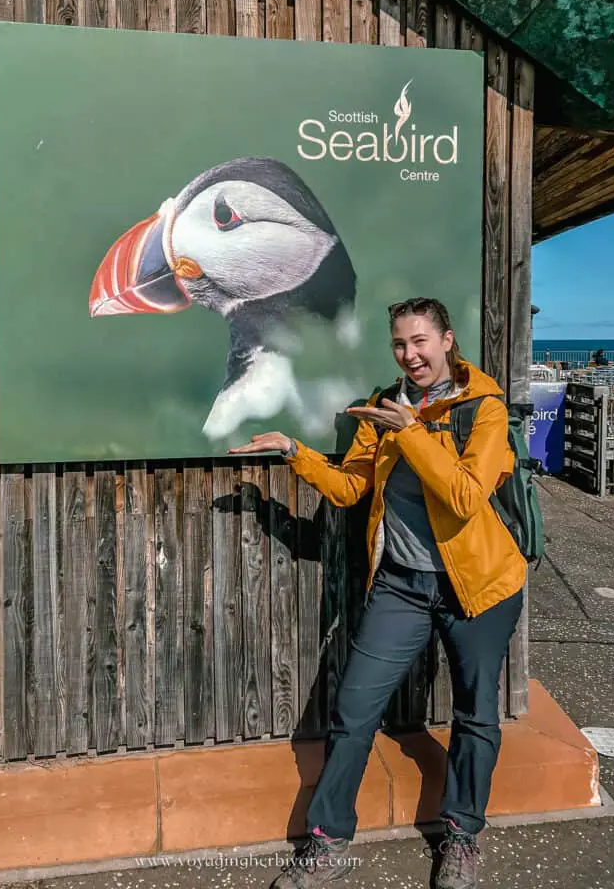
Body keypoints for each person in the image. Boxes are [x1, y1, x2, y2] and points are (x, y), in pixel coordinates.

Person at [229, 297, 526, 889]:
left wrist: (412, 433)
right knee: (354, 709)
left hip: (480, 588)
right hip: (402, 585)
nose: (410, 354)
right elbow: (349, 490)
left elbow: (466, 497)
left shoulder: (482, 410)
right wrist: (296, 453)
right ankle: (328, 841)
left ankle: (462, 834)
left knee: (476, 714)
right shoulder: (386, 409)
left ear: (447, 340)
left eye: (420, 341)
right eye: (399, 343)